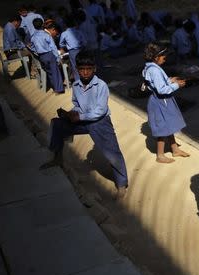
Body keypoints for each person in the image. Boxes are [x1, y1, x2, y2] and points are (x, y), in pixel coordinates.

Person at [40, 50, 128, 198]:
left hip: (100, 123)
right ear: (77, 69)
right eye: (82, 69)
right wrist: (70, 113)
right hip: (81, 120)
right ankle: (57, 157)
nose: (85, 72)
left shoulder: (101, 86)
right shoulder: (76, 85)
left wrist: (79, 116)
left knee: (112, 153)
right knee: (57, 124)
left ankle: (121, 183)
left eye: (88, 69)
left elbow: (100, 111)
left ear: (94, 69)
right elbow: (77, 104)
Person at [142, 43, 189, 163]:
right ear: (155, 57)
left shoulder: (151, 67)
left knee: (168, 125)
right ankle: (160, 155)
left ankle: (175, 149)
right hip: (161, 102)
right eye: (163, 55)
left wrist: (170, 80)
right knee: (163, 129)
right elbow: (161, 89)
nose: (165, 58)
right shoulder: (154, 70)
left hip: (162, 101)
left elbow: (159, 83)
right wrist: (176, 85)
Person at [30, 18, 64, 94]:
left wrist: (38, 53)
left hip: (42, 57)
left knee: (49, 72)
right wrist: (58, 58)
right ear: (42, 25)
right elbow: (53, 47)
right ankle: (59, 89)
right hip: (49, 54)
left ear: (34, 26)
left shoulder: (33, 37)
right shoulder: (46, 35)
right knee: (55, 72)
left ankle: (55, 88)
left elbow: (32, 48)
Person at [59, 15, 86, 81]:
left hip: (72, 52)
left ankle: (78, 81)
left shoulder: (64, 33)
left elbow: (61, 44)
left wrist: (65, 46)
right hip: (80, 50)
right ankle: (85, 79)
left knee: (75, 67)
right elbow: (85, 42)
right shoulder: (78, 31)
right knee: (82, 65)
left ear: (65, 25)